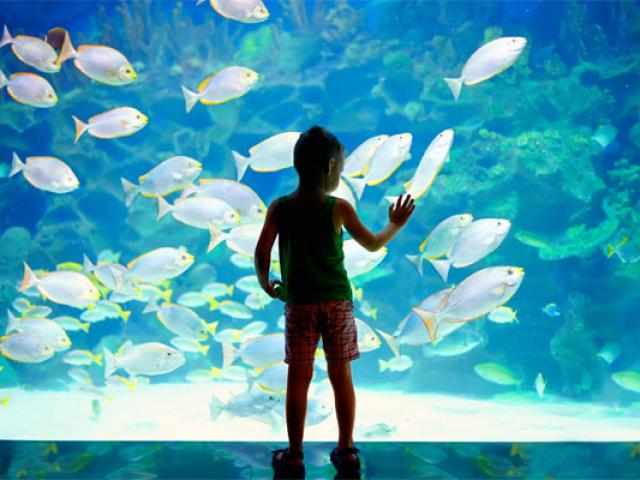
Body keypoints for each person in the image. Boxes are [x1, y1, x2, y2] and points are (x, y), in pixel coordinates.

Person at [254, 125, 415, 478]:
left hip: (299, 305)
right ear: (330, 166)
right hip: (337, 304)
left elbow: (262, 251)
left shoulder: (280, 207)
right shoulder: (339, 208)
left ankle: (294, 455)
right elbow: (373, 244)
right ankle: (346, 449)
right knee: (341, 375)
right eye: (341, 168)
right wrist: (395, 224)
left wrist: (266, 283)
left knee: (299, 377)